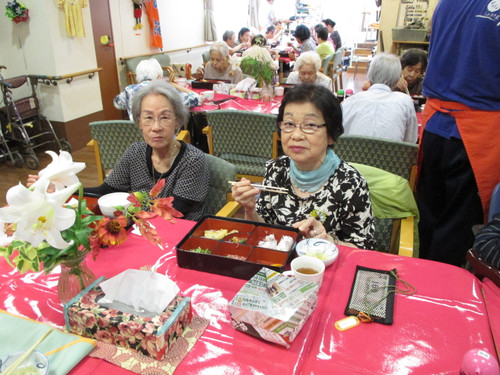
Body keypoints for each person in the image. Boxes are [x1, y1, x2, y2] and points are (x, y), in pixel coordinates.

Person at [231, 84, 376, 249]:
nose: (296, 135)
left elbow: (363, 250)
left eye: (310, 125)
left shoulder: (350, 183)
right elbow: (263, 230)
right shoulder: (277, 169)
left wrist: (328, 241)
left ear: (331, 135)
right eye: (289, 124)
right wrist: (250, 210)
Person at [416, 0, 500, 266]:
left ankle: (421, 283)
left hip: (435, 125)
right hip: (476, 131)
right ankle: (444, 296)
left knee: (429, 215)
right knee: (459, 228)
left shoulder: (445, 4)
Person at [87, 81, 209, 221]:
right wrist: (66, 190)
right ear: (139, 122)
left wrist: (131, 222)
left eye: (164, 117)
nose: (156, 127)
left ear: (177, 121)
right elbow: (105, 191)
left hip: (179, 232)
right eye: (148, 118)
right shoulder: (135, 152)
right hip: (141, 227)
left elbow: (173, 211)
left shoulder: (192, 159)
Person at [341, 53, 418, 143]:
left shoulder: (349, 101)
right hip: (392, 156)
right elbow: (410, 141)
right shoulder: (405, 101)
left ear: (369, 76)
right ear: (397, 80)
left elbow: (340, 137)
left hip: (352, 155)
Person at [114, 58, 201, 120]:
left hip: (136, 138)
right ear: (159, 76)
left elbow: (117, 103)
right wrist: (177, 86)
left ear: (137, 78)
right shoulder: (164, 90)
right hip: (161, 139)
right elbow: (197, 99)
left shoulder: (129, 90)